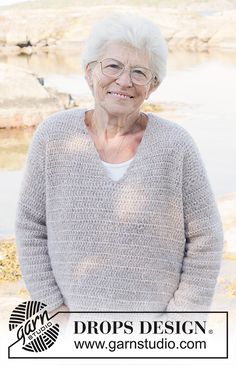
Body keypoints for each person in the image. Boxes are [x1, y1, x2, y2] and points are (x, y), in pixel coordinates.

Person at [15, 13, 223, 316]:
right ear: (89, 73)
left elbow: (207, 238)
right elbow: (30, 226)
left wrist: (181, 322)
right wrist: (52, 308)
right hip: (73, 332)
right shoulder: (53, 136)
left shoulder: (176, 145)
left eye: (139, 72)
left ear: (152, 86)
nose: (124, 81)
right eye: (112, 66)